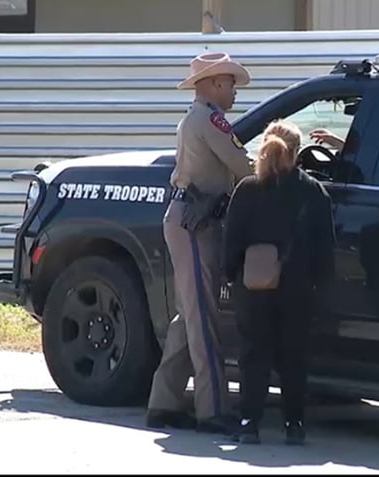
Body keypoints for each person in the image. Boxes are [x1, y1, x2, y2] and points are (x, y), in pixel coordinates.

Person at [145, 52, 254, 434]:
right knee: (204, 317)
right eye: (230, 83)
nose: (235, 91)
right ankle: (212, 410)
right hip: (196, 222)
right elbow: (242, 166)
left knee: (188, 315)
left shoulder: (198, 118)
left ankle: (164, 401)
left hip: (189, 219)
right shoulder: (209, 119)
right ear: (212, 84)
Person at [221, 119, 336, 445]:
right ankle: (294, 424)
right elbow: (324, 249)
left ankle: (248, 423)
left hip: (253, 288)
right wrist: (321, 286)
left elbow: (232, 241)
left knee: (253, 353)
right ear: (297, 152)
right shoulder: (314, 193)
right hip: (297, 288)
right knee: (293, 356)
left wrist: (230, 277)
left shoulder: (247, 189)